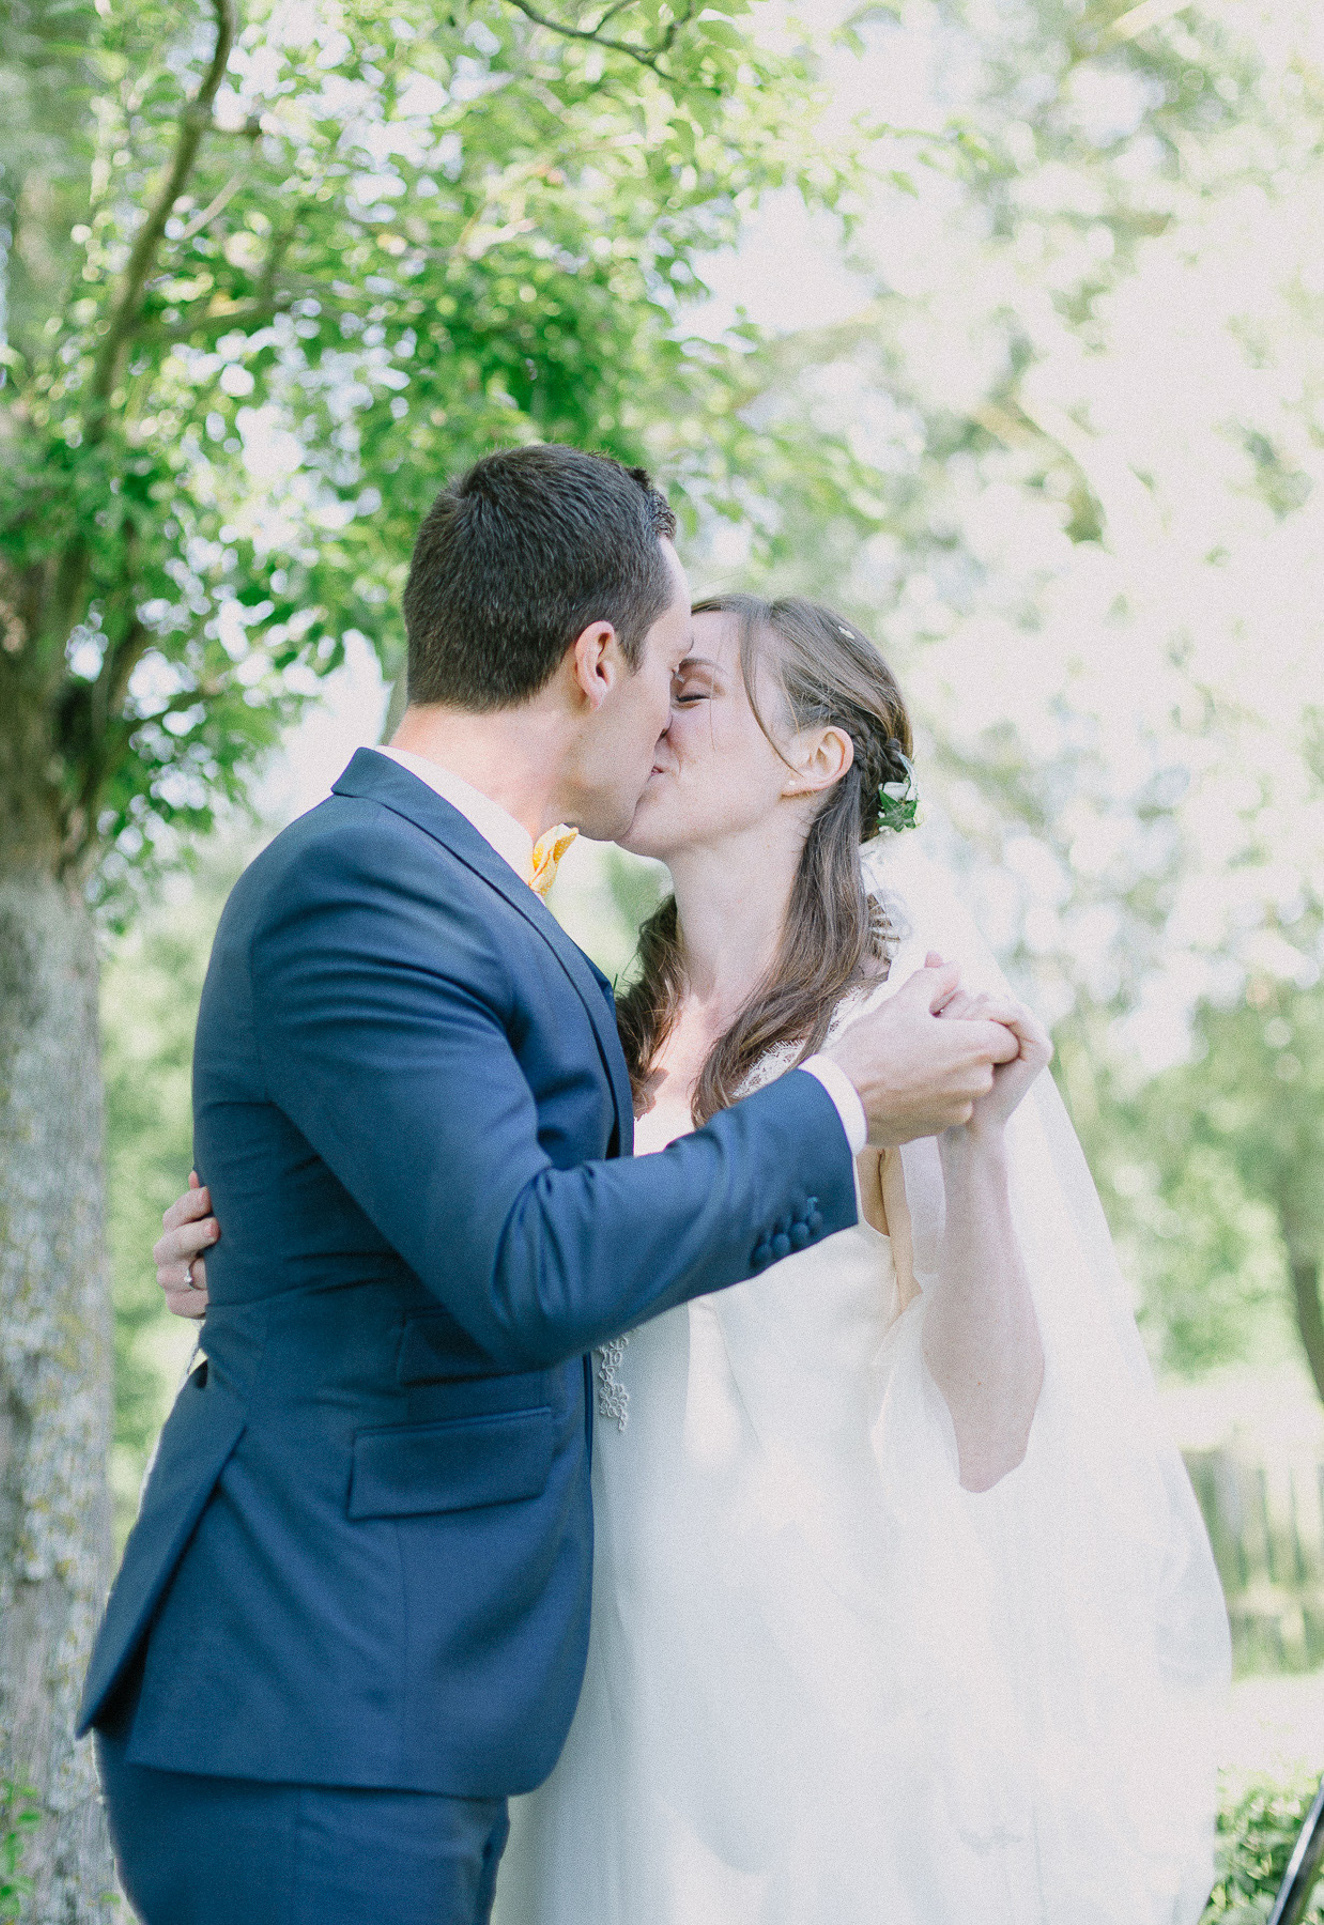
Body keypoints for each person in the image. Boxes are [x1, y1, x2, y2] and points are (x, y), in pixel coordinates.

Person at [158, 589, 1231, 1922]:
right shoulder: (584, 1039)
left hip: (830, 1694)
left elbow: (994, 1431)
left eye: (699, 686)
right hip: (604, 1689)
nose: (650, 711)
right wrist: (259, 1242)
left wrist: (987, 1156)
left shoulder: (896, 1039)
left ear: (815, 757)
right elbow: (500, 1251)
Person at [80, 446, 1023, 1925]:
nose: (663, 717)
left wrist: (273, 1236)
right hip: (324, 1696)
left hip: (469, 1691)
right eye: (670, 670)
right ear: (597, 660)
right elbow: (529, 1261)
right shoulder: (371, 883)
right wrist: (844, 1108)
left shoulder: (513, 926)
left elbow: (455, 1205)